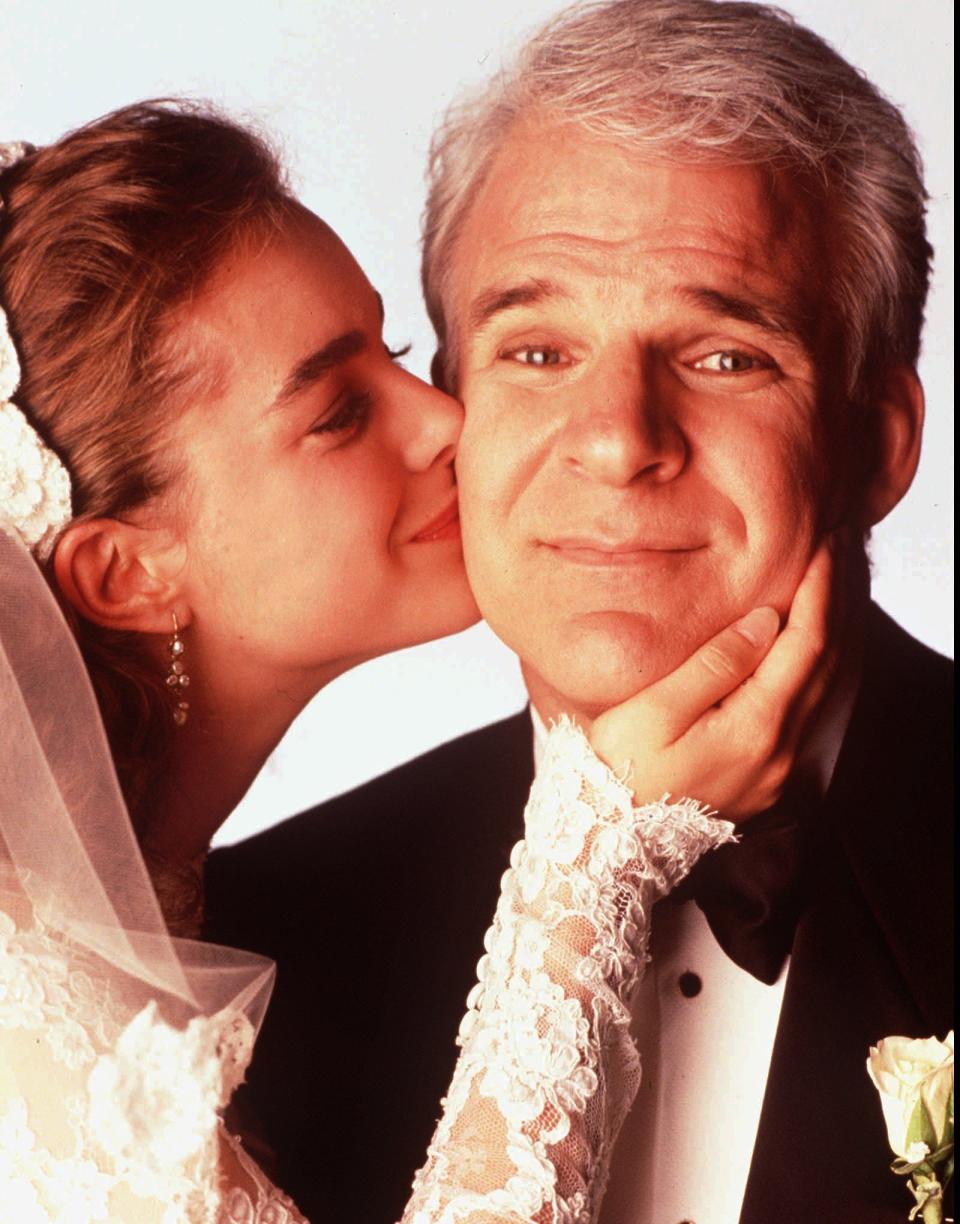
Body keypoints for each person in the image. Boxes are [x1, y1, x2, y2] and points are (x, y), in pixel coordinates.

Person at [0, 101, 829, 1219]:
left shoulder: (168, 907)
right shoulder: (23, 988)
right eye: (341, 410)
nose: (446, 419)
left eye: (395, 355)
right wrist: (595, 857)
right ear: (127, 573)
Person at [204, 2, 954, 1222]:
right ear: (452, 416)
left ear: (876, 443)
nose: (617, 442)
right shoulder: (247, 962)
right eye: (538, 353)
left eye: (723, 355)